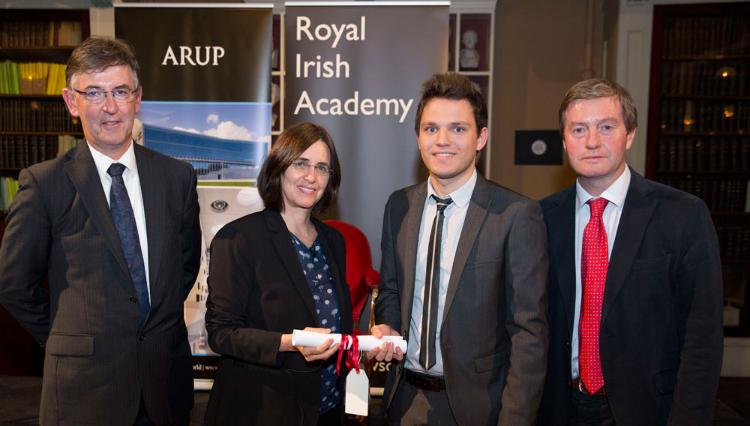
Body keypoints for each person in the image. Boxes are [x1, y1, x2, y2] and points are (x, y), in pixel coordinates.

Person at [0, 36, 201, 425]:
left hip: (164, 386)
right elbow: (13, 284)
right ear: (71, 102)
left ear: (137, 98)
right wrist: (67, 338)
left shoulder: (176, 177)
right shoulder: (44, 184)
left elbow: (184, 266)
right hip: (83, 392)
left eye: (120, 91)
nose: (109, 107)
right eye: (93, 92)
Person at [538, 78, 723, 425]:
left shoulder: (682, 215)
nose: (592, 141)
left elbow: (703, 337)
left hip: (650, 410)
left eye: (606, 127)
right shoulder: (540, 218)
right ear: (564, 141)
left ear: (630, 134)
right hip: (560, 409)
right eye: (578, 129)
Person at [369, 72, 549, 425]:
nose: (442, 141)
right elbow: (390, 288)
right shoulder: (399, 206)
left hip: (480, 409)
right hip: (404, 401)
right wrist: (387, 324)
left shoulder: (516, 215)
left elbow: (529, 334)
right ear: (418, 137)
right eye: (431, 128)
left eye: (458, 129)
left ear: (481, 137)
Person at [204, 122, 352, 426]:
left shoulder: (333, 241)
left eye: (323, 168)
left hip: (326, 407)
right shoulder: (239, 239)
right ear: (279, 167)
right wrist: (292, 342)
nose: (312, 176)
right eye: (301, 164)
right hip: (263, 409)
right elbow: (222, 333)